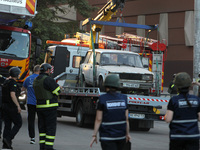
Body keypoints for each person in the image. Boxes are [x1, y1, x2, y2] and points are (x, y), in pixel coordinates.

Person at [90, 74, 131, 150]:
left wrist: (94, 135)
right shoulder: (124, 98)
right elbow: (126, 119)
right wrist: (127, 134)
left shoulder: (102, 99)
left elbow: (98, 119)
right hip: (121, 137)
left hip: (107, 138)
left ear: (106, 85)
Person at [165, 72, 200, 150]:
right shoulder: (196, 99)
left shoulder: (174, 100)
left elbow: (168, 119)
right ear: (190, 86)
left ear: (177, 86)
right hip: (193, 137)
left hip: (177, 137)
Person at [33, 63, 61, 150]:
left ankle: (42, 147)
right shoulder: (48, 79)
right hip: (50, 108)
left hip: (40, 107)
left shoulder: (36, 79)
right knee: (50, 128)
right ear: (48, 70)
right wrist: (59, 87)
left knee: (42, 129)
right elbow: (57, 91)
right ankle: (48, 147)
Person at [2, 67, 22, 149]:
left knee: (7, 125)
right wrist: (18, 105)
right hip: (11, 107)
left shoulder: (6, 81)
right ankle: (8, 138)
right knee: (18, 123)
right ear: (16, 74)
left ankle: (6, 144)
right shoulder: (13, 83)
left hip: (4, 106)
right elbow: (12, 94)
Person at [21, 65, 40, 144]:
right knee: (41, 120)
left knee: (31, 120)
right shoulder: (41, 79)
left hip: (30, 102)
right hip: (39, 103)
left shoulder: (28, 78)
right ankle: (42, 137)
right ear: (39, 71)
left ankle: (32, 138)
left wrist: (27, 91)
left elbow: (23, 89)